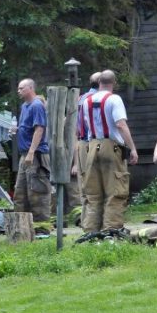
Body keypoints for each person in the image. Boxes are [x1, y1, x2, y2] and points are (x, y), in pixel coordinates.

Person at [81, 70, 139, 233]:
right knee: (115, 191)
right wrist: (132, 148)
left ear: (99, 83)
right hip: (111, 147)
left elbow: (86, 125)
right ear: (114, 83)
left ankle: (90, 231)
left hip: (92, 146)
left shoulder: (87, 101)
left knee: (93, 194)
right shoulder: (114, 99)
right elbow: (120, 125)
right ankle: (111, 230)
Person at [12, 78, 52, 223]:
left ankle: (42, 228)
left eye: (21, 88)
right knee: (20, 192)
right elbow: (28, 127)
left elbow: (39, 129)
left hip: (35, 155)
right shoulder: (24, 106)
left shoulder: (37, 105)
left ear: (30, 88)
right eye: (18, 88)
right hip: (25, 155)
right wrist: (17, 130)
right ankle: (21, 226)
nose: (18, 91)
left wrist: (31, 152)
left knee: (37, 191)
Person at [73, 71, 101, 222]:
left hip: (81, 143)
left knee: (84, 184)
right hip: (93, 143)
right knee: (95, 183)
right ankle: (95, 220)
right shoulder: (98, 99)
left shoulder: (81, 98)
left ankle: (86, 219)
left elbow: (75, 128)